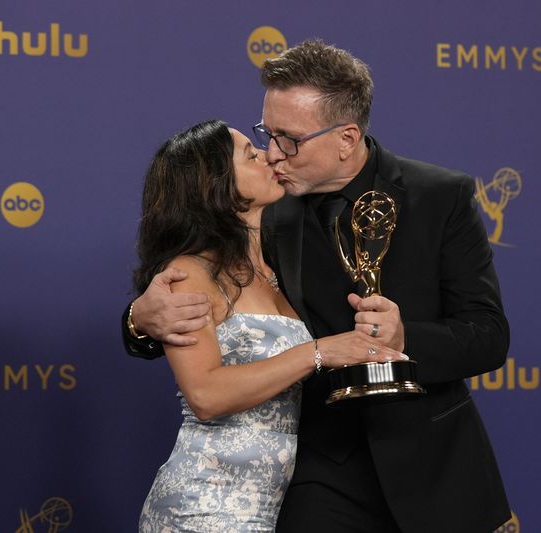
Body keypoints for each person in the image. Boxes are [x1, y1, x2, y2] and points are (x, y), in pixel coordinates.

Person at [125, 41, 511, 532]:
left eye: (290, 139)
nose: (272, 153)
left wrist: (404, 338)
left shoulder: (440, 197)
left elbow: (489, 334)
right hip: (318, 474)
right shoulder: (260, 209)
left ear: (346, 137)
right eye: (268, 133)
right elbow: (196, 312)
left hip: (435, 470)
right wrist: (139, 319)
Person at [131, 119, 403, 532]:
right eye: (250, 154)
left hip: (270, 507)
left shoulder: (274, 266)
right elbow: (205, 394)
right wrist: (319, 352)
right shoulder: (189, 273)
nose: (270, 155)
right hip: (205, 505)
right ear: (215, 185)